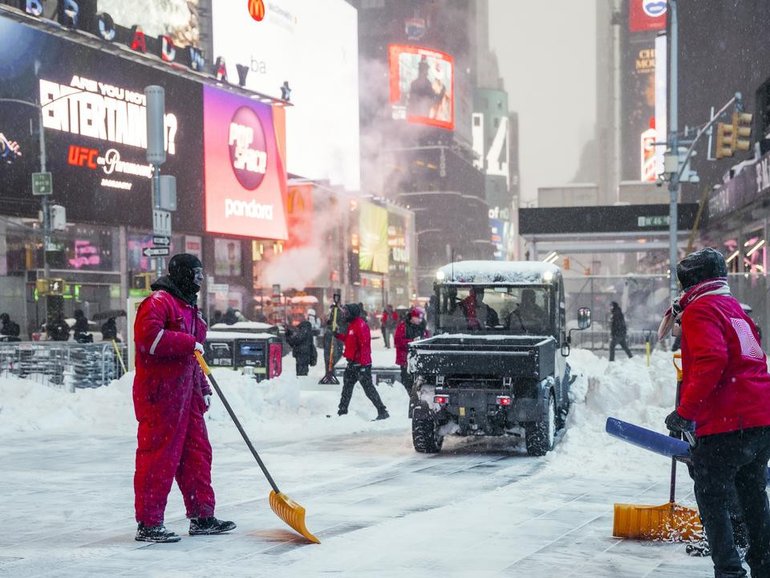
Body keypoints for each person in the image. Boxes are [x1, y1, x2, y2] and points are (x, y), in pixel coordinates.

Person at [663, 247, 770, 578]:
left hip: (728, 423)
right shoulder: (733, 308)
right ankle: (764, 567)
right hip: (760, 420)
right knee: (753, 496)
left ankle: (729, 572)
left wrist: (685, 412)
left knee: (712, 496)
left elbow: (712, 360)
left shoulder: (701, 310)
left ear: (692, 283)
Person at [133, 253, 235, 543]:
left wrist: (201, 386)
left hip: (186, 393)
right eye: (195, 275)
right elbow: (149, 339)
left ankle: (202, 515)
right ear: (182, 274)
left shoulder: (189, 307)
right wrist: (189, 342)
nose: (199, 281)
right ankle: (149, 523)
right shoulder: (158, 303)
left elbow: (193, 358)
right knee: (159, 457)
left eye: (201, 275)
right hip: (161, 394)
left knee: (197, 453)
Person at [335, 303, 389, 420]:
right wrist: (338, 336)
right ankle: (342, 411)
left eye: (346, 312)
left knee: (368, 389)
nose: (344, 314)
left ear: (352, 313)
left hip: (361, 365)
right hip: (352, 363)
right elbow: (349, 339)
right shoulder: (352, 325)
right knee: (347, 388)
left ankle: (382, 410)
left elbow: (364, 345)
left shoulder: (360, 325)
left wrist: (364, 365)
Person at [394, 307, 429, 396]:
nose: (419, 320)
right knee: (406, 379)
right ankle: (406, 396)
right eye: (418, 317)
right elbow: (398, 342)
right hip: (405, 359)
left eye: (421, 318)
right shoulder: (403, 327)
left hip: (420, 359)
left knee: (419, 380)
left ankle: (415, 395)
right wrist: (412, 341)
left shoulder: (422, 327)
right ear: (412, 317)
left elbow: (428, 339)